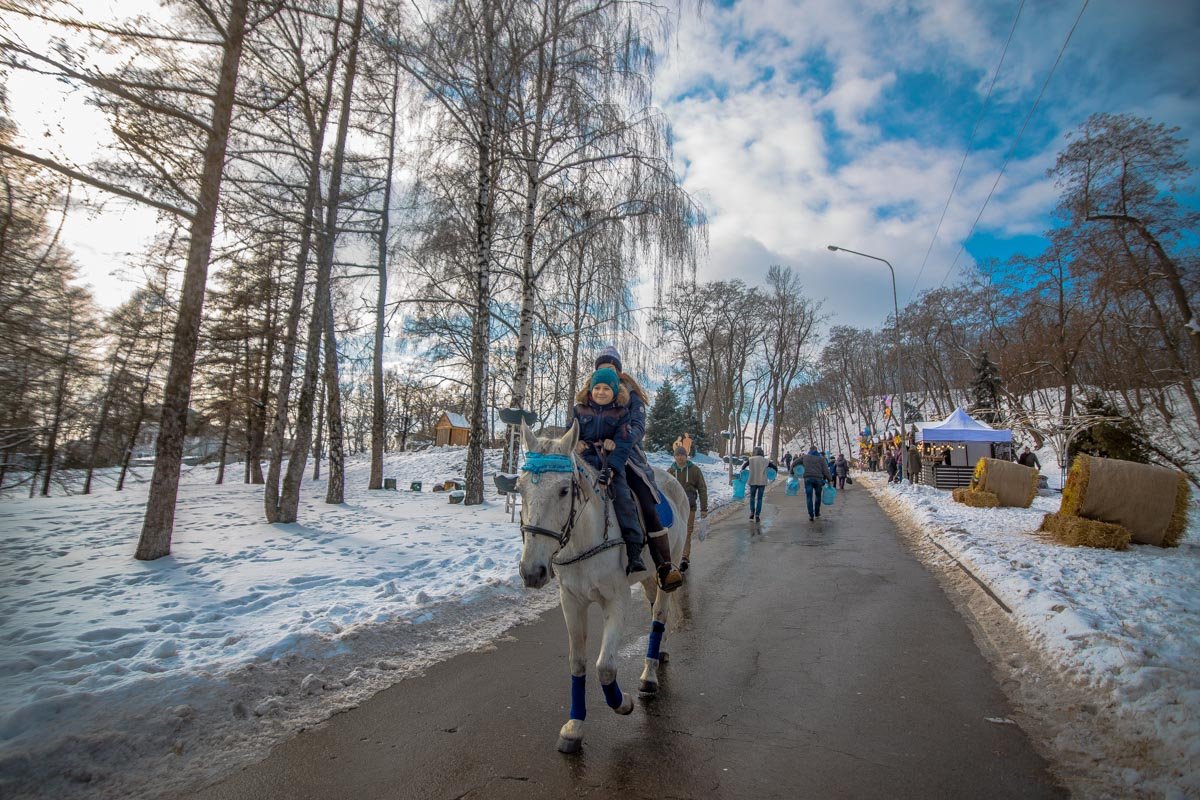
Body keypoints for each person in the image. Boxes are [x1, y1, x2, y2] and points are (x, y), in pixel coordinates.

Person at [593, 346, 682, 591]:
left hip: (627, 456)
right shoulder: (594, 392)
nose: (606, 372)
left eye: (611, 368)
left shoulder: (632, 396)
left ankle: (664, 565)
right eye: (602, 369)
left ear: (619, 371)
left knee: (645, 498)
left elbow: (638, 427)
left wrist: (619, 440)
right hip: (593, 455)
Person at [667, 446, 708, 573]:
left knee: (686, 531)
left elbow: (702, 488)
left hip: (689, 507)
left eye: (682, 455)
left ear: (686, 456)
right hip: (674, 507)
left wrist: (704, 508)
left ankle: (684, 557)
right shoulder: (670, 472)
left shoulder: (695, 470)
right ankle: (673, 557)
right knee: (672, 532)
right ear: (675, 457)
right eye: (677, 455)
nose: (680, 457)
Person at [740, 446, 778, 523]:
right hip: (762, 482)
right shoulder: (765, 461)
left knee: (752, 497)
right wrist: (773, 473)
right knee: (760, 499)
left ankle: (752, 512)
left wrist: (745, 473)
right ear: (762, 453)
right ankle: (757, 515)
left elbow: (743, 467)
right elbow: (775, 467)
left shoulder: (750, 459)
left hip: (752, 481)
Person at [800, 446, 833, 521]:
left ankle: (811, 515)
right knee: (818, 496)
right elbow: (826, 470)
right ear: (816, 450)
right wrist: (830, 479)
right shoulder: (821, 458)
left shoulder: (804, 457)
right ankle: (817, 513)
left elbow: (794, 463)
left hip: (808, 479)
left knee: (809, 496)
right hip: (818, 479)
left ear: (809, 450)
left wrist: (792, 472)